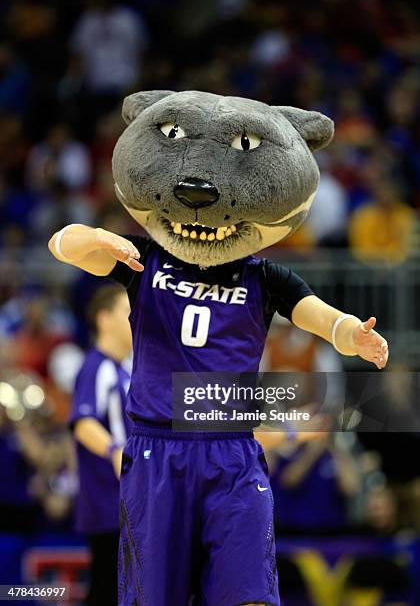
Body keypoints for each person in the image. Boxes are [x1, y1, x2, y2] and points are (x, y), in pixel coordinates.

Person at [48, 224, 388, 606]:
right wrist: (95, 237)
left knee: (251, 596)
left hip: (233, 453)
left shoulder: (264, 276)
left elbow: (325, 319)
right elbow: (61, 246)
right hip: (158, 452)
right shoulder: (146, 259)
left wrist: (352, 333)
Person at [69, 284, 132, 606]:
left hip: (126, 504)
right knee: (109, 589)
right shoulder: (98, 366)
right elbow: (82, 423)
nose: (136, 319)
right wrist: (113, 451)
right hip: (108, 502)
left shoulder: (123, 371)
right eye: (127, 311)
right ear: (104, 319)